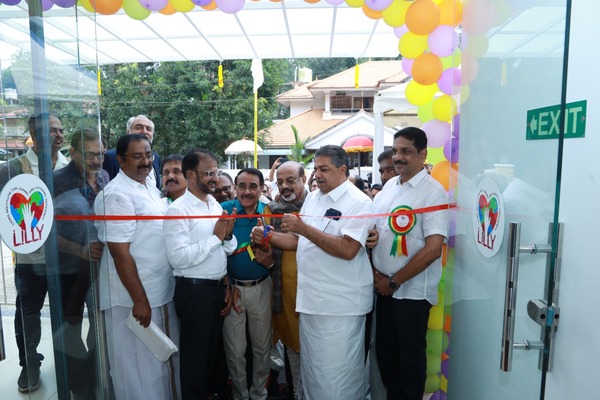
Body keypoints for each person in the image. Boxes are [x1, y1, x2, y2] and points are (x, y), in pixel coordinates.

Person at [277, 145, 374, 399]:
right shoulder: (313, 198)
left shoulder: (359, 202)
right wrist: (268, 237)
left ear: (342, 170)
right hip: (311, 302)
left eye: (324, 169)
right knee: (313, 373)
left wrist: (303, 228)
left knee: (337, 378)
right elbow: (302, 242)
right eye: (316, 169)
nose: (317, 175)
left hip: (340, 306)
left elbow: (349, 249)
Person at [94, 134, 180, 400]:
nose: (145, 161)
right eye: (137, 156)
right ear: (120, 160)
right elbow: (120, 253)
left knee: (160, 368)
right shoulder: (115, 195)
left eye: (148, 155)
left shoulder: (149, 186)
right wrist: (139, 300)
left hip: (159, 290)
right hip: (131, 300)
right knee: (139, 374)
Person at [370, 127, 448, 400]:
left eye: (406, 151)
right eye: (395, 151)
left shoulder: (433, 192)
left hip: (411, 294)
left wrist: (393, 282)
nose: (397, 157)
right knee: (387, 359)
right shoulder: (390, 187)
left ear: (423, 154)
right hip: (383, 290)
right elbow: (376, 231)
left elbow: (433, 249)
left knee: (410, 366)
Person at [0, 113, 69, 393]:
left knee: (67, 312)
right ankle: (29, 363)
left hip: (66, 256)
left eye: (61, 130)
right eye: (53, 130)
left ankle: (69, 363)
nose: (59, 135)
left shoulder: (69, 165)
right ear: (33, 132)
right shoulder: (13, 168)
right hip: (30, 258)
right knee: (28, 314)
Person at [163, 148, 238, 399]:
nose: (215, 178)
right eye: (209, 173)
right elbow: (178, 258)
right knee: (195, 362)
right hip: (194, 293)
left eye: (216, 172)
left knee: (211, 359)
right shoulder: (178, 210)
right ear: (192, 175)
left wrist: (226, 236)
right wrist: (216, 238)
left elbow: (228, 247)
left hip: (216, 290)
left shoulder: (213, 204)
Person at [53, 128, 108, 399]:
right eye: (90, 155)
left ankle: (96, 375)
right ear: (73, 153)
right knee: (71, 331)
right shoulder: (55, 182)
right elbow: (45, 232)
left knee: (100, 327)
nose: (97, 161)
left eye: (100, 154)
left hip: (100, 268)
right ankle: (80, 387)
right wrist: (80, 250)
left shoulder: (104, 176)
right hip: (68, 270)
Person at [251, 161, 307, 399]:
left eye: (290, 180)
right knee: (293, 350)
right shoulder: (270, 210)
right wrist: (259, 242)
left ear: (304, 179)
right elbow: (261, 246)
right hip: (283, 294)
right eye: (280, 181)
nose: (285, 186)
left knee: (313, 354)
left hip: (313, 292)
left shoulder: (316, 207)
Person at [221, 168, 273, 400]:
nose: (247, 191)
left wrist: (269, 261)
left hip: (262, 287)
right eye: (242, 186)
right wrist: (227, 284)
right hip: (233, 290)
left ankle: (259, 394)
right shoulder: (224, 211)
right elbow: (216, 250)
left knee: (262, 347)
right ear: (235, 188)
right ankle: (240, 395)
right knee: (235, 350)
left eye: (253, 186)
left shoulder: (269, 212)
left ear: (262, 188)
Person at [102, 115, 162, 189]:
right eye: (139, 127)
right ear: (128, 132)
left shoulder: (156, 158)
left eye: (148, 129)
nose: (144, 131)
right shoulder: (111, 157)